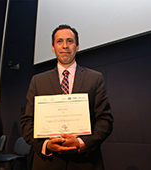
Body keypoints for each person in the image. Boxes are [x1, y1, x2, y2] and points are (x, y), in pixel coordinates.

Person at [20, 24, 114, 169]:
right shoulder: (37, 81)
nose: (65, 46)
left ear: (77, 46)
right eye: (59, 41)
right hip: (48, 163)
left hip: (85, 163)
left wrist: (81, 143)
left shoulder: (95, 78)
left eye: (70, 41)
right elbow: (27, 122)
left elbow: (105, 120)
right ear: (53, 47)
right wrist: (45, 144)